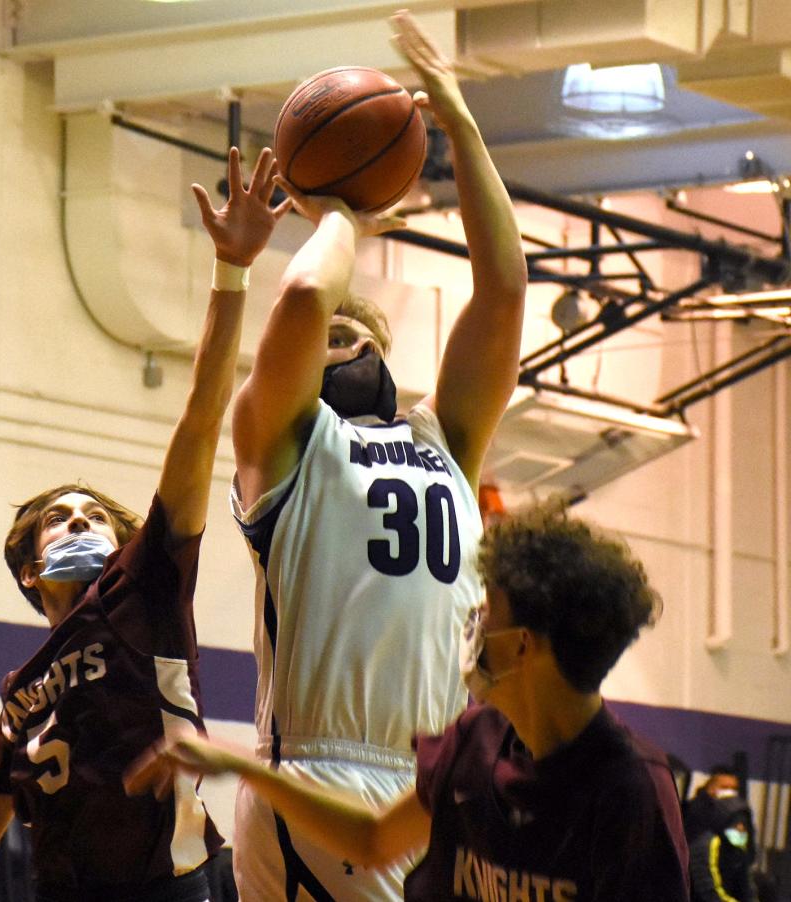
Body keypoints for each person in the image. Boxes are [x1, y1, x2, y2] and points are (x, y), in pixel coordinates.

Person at [0, 146, 290, 902]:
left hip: (176, 887)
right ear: (30, 571)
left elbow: (201, 417)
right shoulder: (18, 694)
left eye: (92, 514)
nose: (78, 517)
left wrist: (231, 272)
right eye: (58, 517)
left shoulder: (145, 586)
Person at [226, 9, 527, 899]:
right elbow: (307, 295)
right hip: (322, 774)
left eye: (362, 334)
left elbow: (505, 289)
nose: (344, 341)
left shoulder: (447, 440)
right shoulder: (282, 443)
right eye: (330, 338)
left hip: (430, 781)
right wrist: (339, 206)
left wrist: (460, 126)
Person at [126, 504, 690, 902]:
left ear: (522, 645)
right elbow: (373, 840)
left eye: (488, 610)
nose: (473, 622)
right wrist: (239, 762)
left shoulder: (630, 790)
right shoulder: (477, 738)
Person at [689, 794, 756, 902]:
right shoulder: (706, 845)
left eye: (744, 825)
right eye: (736, 824)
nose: (740, 829)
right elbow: (708, 889)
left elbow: (747, 887)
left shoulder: (739, 848)